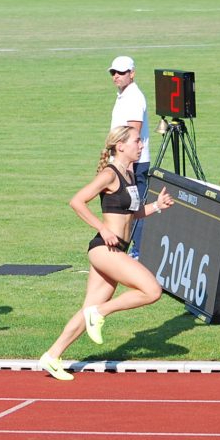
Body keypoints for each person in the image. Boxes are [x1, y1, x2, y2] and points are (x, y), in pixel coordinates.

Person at [38, 126, 174, 381]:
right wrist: (102, 228)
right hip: (104, 248)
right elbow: (77, 201)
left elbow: (130, 214)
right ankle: (100, 313)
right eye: (137, 141)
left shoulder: (129, 174)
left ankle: (52, 355)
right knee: (152, 290)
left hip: (116, 249)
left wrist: (156, 206)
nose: (141, 145)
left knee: (87, 308)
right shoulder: (109, 174)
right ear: (120, 146)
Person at [108, 55, 150, 259]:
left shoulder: (133, 98)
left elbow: (134, 133)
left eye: (121, 72)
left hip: (132, 163)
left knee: (134, 208)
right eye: (113, 72)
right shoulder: (124, 95)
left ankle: (138, 252)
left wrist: (128, 165)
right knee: (125, 207)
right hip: (124, 161)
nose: (116, 76)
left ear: (132, 74)